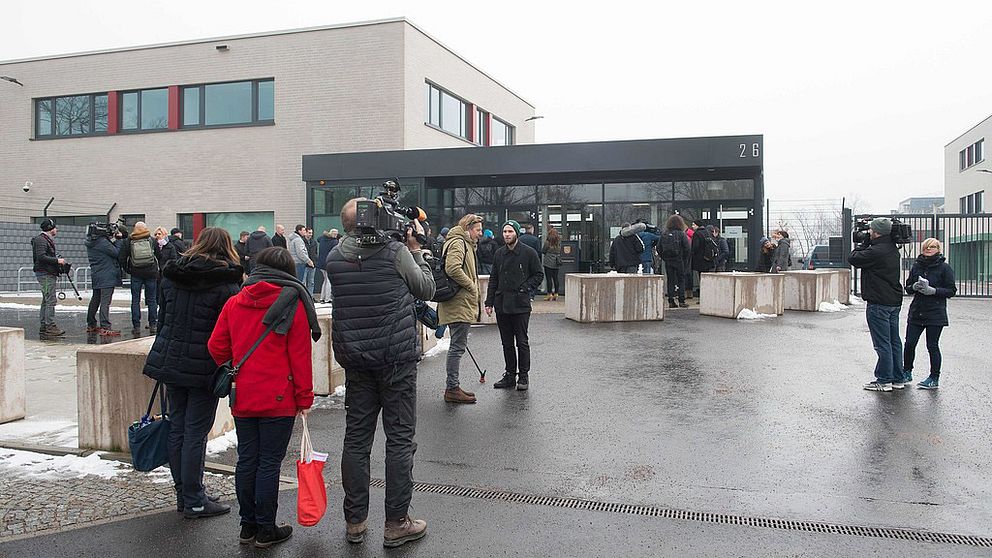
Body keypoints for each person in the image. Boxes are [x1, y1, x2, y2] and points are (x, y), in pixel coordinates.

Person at [324, 197, 435, 548]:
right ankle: (396, 522)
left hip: (357, 361)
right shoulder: (395, 252)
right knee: (400, 439)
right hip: (395, 359)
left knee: (357, 440)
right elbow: (427, 289)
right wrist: (417, 250)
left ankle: (355, 521)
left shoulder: (334, 257)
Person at [208, 247, 320, 548]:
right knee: (269, 463)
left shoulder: (235, 302)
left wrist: (236, 365)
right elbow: (300, 357)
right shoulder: (293, 305)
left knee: (247, 460)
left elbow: (216, 345)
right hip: (279, 397)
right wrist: (304, 398)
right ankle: (266, 529)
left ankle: (248, 526)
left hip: (244, 394)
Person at [143, 227, 244, 519]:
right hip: (204, 366)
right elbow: (229, 332)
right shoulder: (226, 284)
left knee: (178, 428)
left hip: (172, 362)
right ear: (226, 248)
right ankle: (195, 498)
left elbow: (163, 320)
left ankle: (184, 494)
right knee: (195, 433)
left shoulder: (172, 277)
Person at [485, 220, 543, 391]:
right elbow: (493, 278)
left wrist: (525, 288)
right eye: (504, 232)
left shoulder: (528, 253)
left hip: (520, 304)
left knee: (522, 342)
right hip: (502, 303)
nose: (507, 235)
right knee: (507, 343)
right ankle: (510, 374)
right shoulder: (499, 253)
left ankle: (523, 376)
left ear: (517, 233)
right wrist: (489, 302)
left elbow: (539, 275)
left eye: (510, 231)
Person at [848, 217, 904, 392]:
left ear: (877, 232)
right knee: (894, 341)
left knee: (882, 343)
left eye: (871, 230)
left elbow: (853, 258)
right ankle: (897, 378)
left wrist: (864, 243)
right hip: (893, 301)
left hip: (879, 302)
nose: (868, 233)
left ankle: (884, 379)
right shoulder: (892, 249)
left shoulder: (876, 251)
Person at [437, 214, 483, 404]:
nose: (480, 233)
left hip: (459, 302)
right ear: (468, 228)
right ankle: (452, 388)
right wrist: (471, 286)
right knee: (457, 347)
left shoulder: (464, 243)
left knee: (457, 346)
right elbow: (453, 268)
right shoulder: (459, 243)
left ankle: (453, 386)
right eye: (478, 230)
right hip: (459, 303)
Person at [902, 238, 956, 390]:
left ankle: (934, 377)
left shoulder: (944, 268)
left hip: (935, 313)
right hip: (917, 312)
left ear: (938, 249)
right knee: (910, 343)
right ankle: (906, 371)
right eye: (926, 247)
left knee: (932, 346)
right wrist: (914, 286)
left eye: (932, 247)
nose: (929, 249)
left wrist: (934, 291)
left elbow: (951, 290)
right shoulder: (917, 266)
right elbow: (907, 287)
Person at [118, 222, 161, 334]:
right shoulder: (152, 240)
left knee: (135, 300)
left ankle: (136, 326)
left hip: (136, 273)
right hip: (151, 273)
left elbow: (121, 258)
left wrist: (129, 270)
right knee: (152, 299)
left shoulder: (128, 241)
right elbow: (159, 256)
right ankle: (153, 324)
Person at [31, 219, 67, 338]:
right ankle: (49, 326)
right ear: (50, 228)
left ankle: (44, 325)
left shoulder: (44, 240)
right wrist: (57, 260)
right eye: (55, 228)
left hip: (46, 273)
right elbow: (41, 257)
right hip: (45, 274)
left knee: (46, 300)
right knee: (50, 299)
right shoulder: (41, 240)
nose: (56, 230)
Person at [85, 225, 122, 336]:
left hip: (97, 274)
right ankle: (105, 326)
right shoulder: (102, 242)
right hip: (107, 274)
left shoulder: (91, 242)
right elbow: (116, 253)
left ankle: (91, 324)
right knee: (105, 301)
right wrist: (118, 240)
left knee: (96, 299)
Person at [658, 214, 691, 309]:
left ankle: (671, 300)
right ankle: (681, 300)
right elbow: (687, 248)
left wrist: (664, 258)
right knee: (681, 280)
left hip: (668, 261)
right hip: (679, 260)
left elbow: (659, 248)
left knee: (670, 280)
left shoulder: (664, 234)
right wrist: (684, 259)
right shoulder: (681, 234)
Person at [690, 221, 718, 295]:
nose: (692, 226)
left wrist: (692, 254)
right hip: (709, 259)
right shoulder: (707, 232)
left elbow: (695, 247)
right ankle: (709, 294)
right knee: (708, 278)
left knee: (701, 278)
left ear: (698, 225)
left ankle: (703, 295)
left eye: (693, 225)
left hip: (700, 260)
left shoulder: (697, 234)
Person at [317, 228, 339, 303]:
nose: (336, 236)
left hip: (321, 262)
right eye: (336, 234)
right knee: (329, 281)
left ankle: (322, 298)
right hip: (328, 262)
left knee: (325, 280)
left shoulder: (322, 239)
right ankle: (327, 298)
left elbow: (318, 239)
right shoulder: (334, 242)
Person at [289, 224, 314, 289]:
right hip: (299, 263)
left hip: (295, 262)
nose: (305, 232)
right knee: (300, 283)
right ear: (299, 231)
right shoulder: (298, 240)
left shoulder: (293, 239)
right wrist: (308, 261)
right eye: (303, 230)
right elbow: (301, 252)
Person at [542, 227, 563, 300]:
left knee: (549, 278)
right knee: (555, 278)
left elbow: (543, 251)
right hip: (556, 262)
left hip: (548, 262)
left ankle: (549, 294)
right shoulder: (559, 242)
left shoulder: (547, 242)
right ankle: (556, 294)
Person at [305, 227, 319, 295]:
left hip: (313, 264)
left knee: (311, 282)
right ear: (305, 232)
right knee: (303, 282)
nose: (311, 234)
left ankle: (310, 297)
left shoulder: (314, 242)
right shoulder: (302, 241)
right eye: (309, 233)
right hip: (304, 265)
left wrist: (315, 260)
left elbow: (315, 252)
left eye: (311, 233)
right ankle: (304, 297)